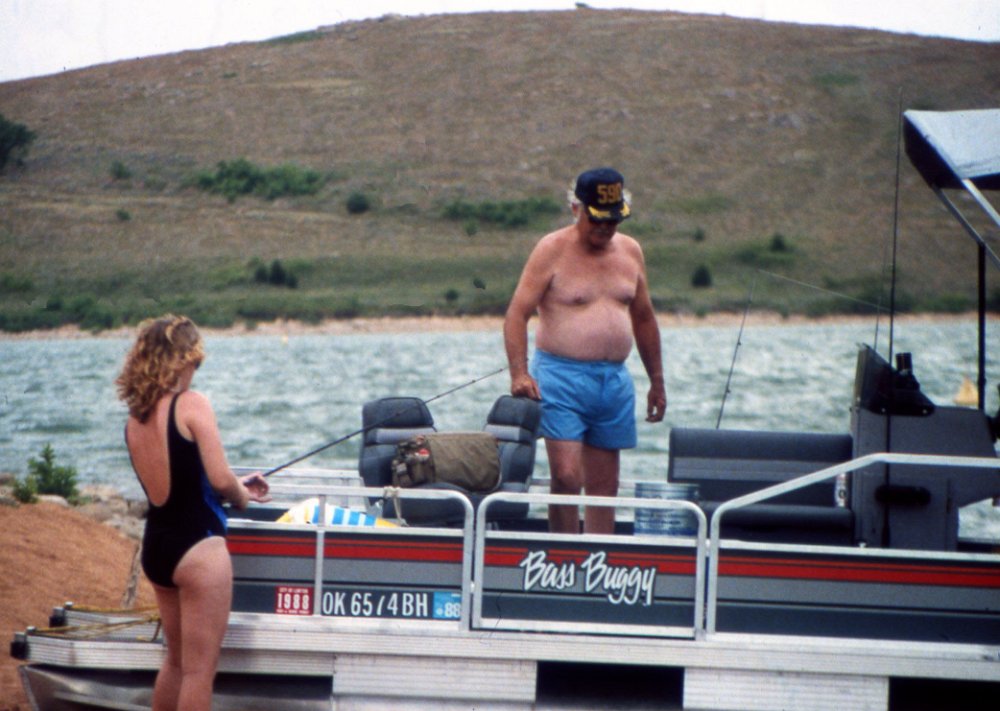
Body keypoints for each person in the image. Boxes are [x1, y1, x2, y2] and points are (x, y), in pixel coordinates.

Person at [116, 315, 270, 711]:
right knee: (200, 672)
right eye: (194, 363)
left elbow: (184, 478)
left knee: (175, 662)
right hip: (198, 548)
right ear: (181, 359)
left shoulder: (135, 418)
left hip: (158, 546)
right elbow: (219, 479)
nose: (194, 373)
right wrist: (242, 494)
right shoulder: (192, 404)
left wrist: (234, 482)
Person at [503, 168, 666, 534]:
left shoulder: (631, 251)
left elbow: (644, 318)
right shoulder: (551, 249)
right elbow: (516, 313)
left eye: (613, 220)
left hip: (613, 382)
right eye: (597, 220)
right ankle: (564, 554)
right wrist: (519, 373)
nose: (605, 228)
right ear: (576, 208)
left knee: (604, 487)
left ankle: (599, 556)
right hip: (559, 377)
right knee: (566, 476)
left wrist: (657, 381)